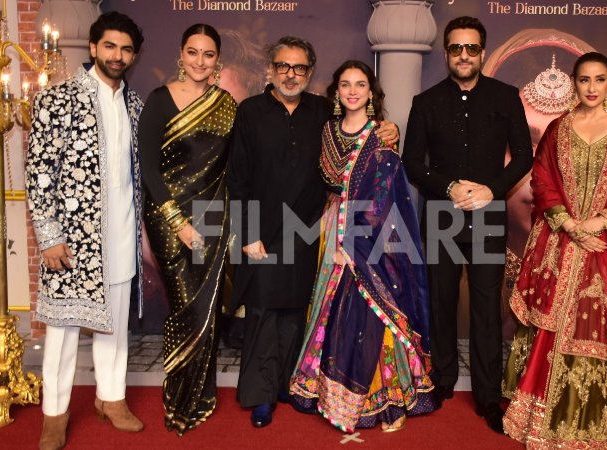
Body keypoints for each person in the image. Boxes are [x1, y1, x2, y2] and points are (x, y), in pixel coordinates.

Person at [502, 52, 607, 447]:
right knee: (552, 322)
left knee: (605, 321)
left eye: (599, 80)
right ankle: (542, 414)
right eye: (584, 80)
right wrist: (567, 223)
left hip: (605, 241)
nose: (592, 88)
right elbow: (542, 178)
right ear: (574, 84)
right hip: (561, 240)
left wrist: (600, 221)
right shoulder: (559, 129)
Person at [226, 36, 398, 429]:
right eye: (283, 66)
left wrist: (390, 130)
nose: (291, 74)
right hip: (263, 231)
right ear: (270, 70)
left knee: (297, 312)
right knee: (264, 313)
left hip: (310, 229)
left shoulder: (322, 110)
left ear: (310, 72)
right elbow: (237, 178)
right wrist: (249, 232)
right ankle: (261, 396)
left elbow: (361, 131)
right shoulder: (250, 112)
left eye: (299, 68)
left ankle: (291, 385)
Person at [401, 16, 533, 434]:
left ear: (481, 52)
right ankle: (440, 382)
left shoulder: (506, 97)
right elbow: (411, 163)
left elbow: (525, 157)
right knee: (440, 302)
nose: (463, 55)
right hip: (441, 214)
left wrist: (491, 190)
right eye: (456, 48)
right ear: (446, 53)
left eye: (471, 48)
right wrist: (452, 186)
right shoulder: (425, 102)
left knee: (485, 307)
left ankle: (489, 396)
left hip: (488, 216)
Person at [289, 60, 434, 433]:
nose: (352, 90)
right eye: (345, 85)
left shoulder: (380, 137)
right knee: (333, 312)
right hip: (328, 228)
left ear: (371, 93)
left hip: (368, 239)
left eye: (360, 84)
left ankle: (385, 399)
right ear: (335, 92)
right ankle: (329, 391)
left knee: (370, 314)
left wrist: (353, 244)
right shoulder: (327, 131)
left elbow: (384, 196)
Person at [26, 11, 146, 450]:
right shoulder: (57, 99)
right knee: (62, 331)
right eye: (110, 46)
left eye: (126, 48)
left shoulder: (136, 106)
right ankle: (54, 414)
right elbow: (40, 172)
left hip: (121, 235)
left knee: (115, 327)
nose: (118, 55)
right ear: (94, 48)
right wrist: (49, 235)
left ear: (134, 55)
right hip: (73, 242)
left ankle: (111, 399)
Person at [137, 23, 237, 435]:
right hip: (168, 216)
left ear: (217, 60)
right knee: (184, 305)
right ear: (181, 54)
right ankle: (178, 397)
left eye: (208, 54)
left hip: (213, 217)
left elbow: (242, 157)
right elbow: (148, 167)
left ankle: (200, 394)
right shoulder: (160, 100)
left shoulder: (227, 104)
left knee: (207, 307)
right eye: (193, 52)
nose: (200, 61)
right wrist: (176, 221)